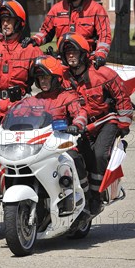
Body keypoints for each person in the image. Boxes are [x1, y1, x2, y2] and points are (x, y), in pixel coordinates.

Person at [58, 32, 133, 215]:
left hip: (106, 122)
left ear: (83, 53)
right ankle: (78, 196)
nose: (71, 56)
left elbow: (122, 97)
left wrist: (124, 124)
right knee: (70, 157)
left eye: (74, 51)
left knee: (99, 155)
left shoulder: (103, 73)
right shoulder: (63, 77)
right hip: (79, 126)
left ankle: (96, 197)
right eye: (67, 52)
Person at [23, 0, 112, 69]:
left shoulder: (96, 10)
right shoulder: (56, 9)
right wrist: (34, 40)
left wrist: (100, 55)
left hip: (87, 64)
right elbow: (45, 32)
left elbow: (104, 36)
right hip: (62, 63)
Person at [29, 55, 89, 199]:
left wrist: (76, 125)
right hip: (39, 146)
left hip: (61, 144)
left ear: (55, 77)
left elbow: (80, 113)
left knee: (73, 158)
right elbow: (22, 116)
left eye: (46, 77)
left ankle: (85, 196)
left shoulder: (67, 96)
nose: (42, 80)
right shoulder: (34, 100)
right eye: (40, 78)